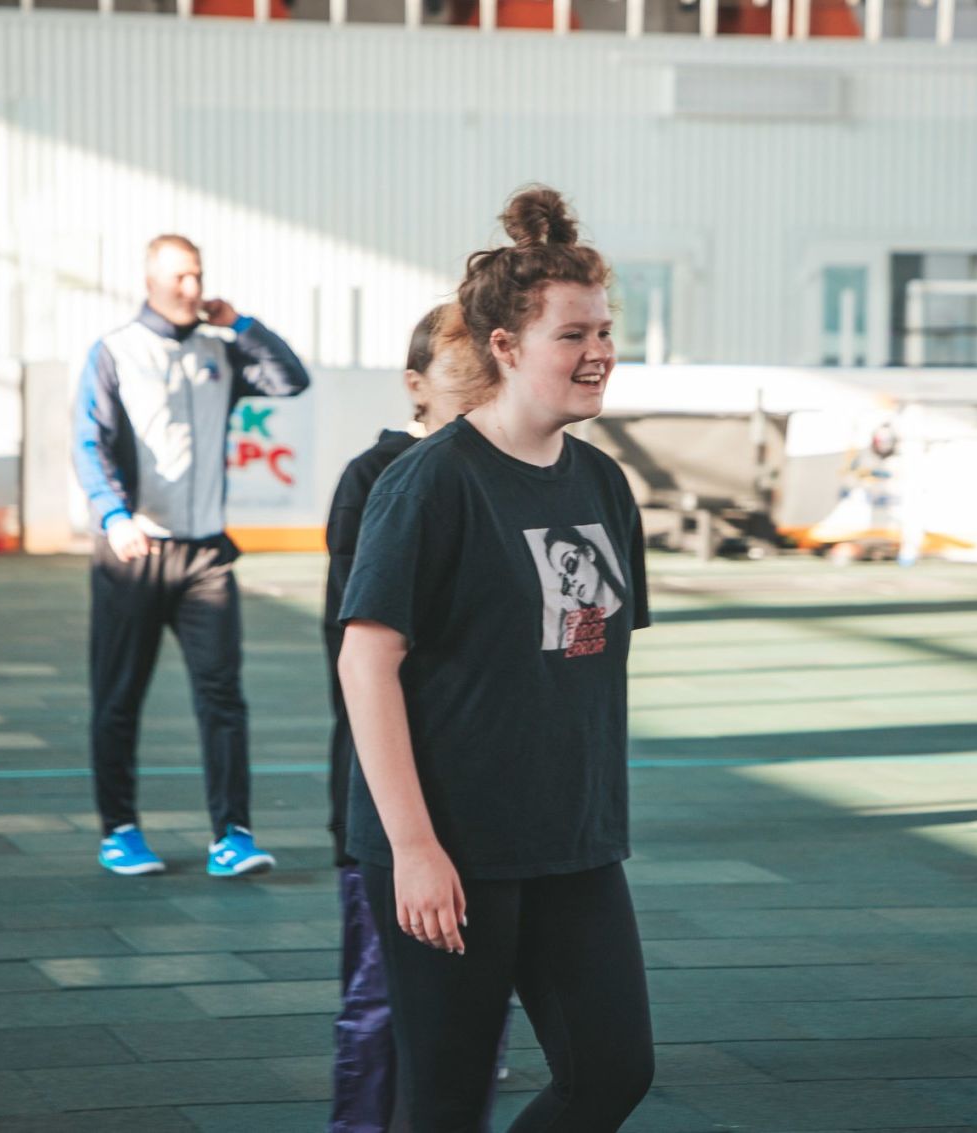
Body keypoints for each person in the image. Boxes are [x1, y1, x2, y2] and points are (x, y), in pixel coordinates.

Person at [337, 186, 655, 1132]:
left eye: (605, 330)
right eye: (573, 334)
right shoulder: (430, 483)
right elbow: (365, 664)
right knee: (444, 1102)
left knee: (612, 1072)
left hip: (573, 842)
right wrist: (414, 848)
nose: (599, 351)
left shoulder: (603, 482)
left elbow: (577, 666)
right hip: (453, 846)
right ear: (507, 348)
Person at [325, 302, 509, 1133]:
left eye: (487, 377)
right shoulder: (381, 479)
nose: (475, 392)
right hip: (388, 791)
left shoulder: (509, 470)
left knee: (471, 1014)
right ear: (416, 385)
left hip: (489, 804)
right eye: (458, 377)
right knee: (381, 1001)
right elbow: (363, 655)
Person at [73, 233, 310, 877]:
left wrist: (243, 325)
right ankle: (120, 830)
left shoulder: (219, 351)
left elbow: (291, 381)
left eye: (197, 275)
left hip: (206, 557)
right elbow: (89, 443)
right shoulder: (115, 351)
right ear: (149, 280)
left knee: (222, 695)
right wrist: (114, 516)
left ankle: (232, 835)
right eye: (178, 276)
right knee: (119, 697)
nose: (191, 287)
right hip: (133, 551)